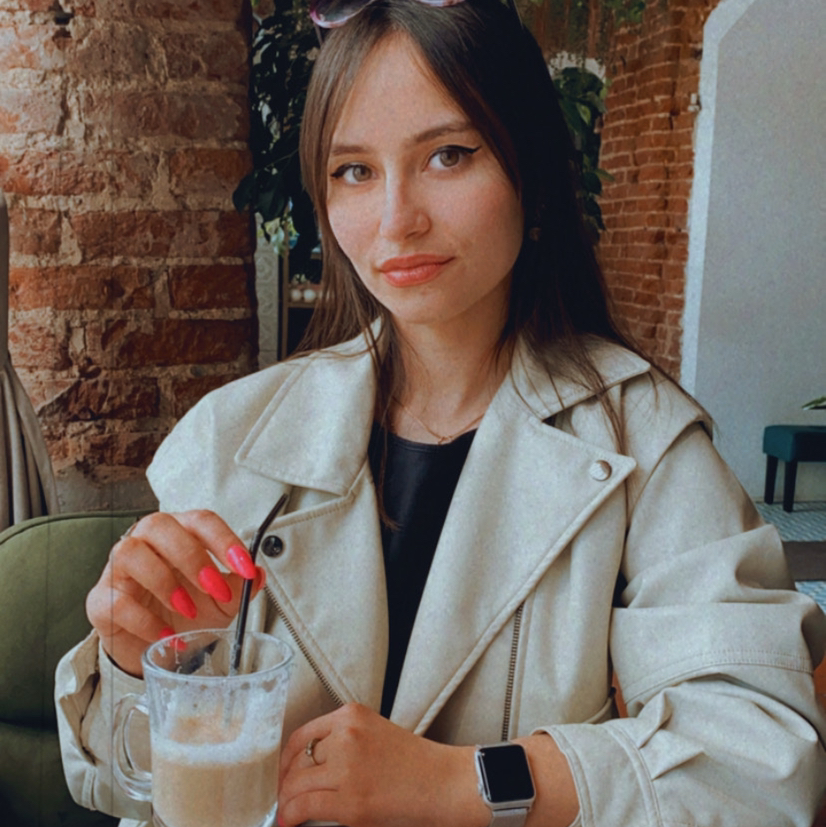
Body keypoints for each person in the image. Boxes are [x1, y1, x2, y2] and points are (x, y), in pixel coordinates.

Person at [56, 0, 826, 825]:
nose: (397, 219)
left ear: (530, 171)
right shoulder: (233, 434)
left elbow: (761, 768)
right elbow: (118, 780)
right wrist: (139, 667)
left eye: (449, 155)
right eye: (354, 170)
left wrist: (461, 782)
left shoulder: (646, 445)